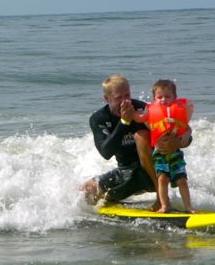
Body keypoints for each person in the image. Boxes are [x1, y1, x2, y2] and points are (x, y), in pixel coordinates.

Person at [81, 74, 192, 209]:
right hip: (126, 173)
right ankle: (105, 206)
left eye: (127, 95)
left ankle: (162, 200)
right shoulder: (99, 118)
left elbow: (177, 130)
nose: (125, 101)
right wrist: (124, 122)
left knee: (141, 135)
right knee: (87, 190)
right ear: (106, 98)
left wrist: (180, 141)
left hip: (155, 171)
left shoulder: (142, 110)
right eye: (119, 98)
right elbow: (106, 152)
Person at [133, 79, 195, 213]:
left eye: (167, 96)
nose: (163, 99)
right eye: (159, 97)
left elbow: (186, 127)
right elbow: (141, 118)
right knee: (162, 179)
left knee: (182, 180)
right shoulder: (150, 110)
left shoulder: (177, 111)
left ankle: (188, 207)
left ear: (174, 98)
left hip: (176, 153)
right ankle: (164, 205)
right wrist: (134, 114)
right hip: (160, 153)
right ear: (154, 99)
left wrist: (185, 135)